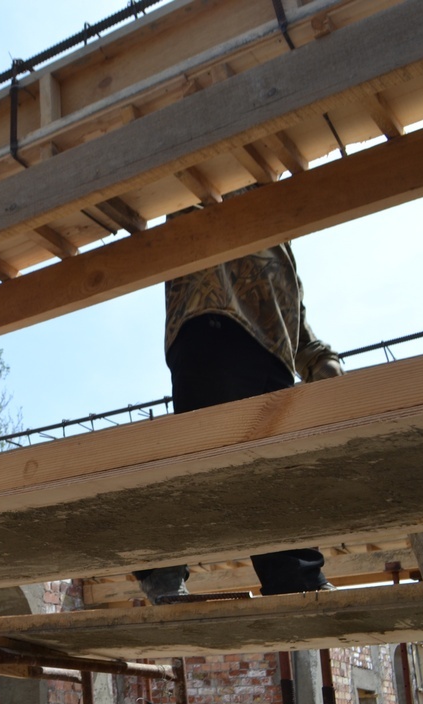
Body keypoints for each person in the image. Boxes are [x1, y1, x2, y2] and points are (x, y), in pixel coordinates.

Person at [134, 234, 344, 604]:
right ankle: (162, 568)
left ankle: (294, 577)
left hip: (272, 346)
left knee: (273, 465)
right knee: (210, 458)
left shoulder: (278, 227)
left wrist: (313, 354)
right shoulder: (216, 198)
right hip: (213, 314)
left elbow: (284, 292)